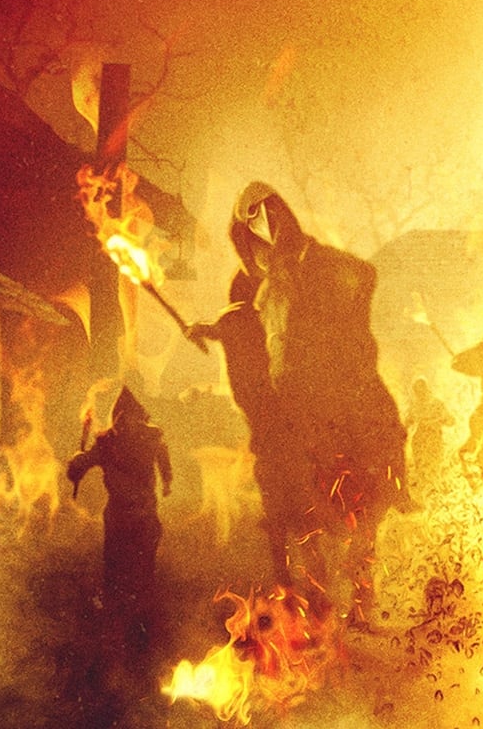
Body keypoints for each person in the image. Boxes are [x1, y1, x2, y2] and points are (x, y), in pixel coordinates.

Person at [189, 184, 410, 629]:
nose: (259, 254)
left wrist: (328, 312)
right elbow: (242, 322)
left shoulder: (321, 264)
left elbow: (363, 276)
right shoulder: (252, 282)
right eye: (250, 246)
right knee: (291, 496)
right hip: (287, 401)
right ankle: (309, 602)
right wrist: (213, 330)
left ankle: (361, 596)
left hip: (340, 387)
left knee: (367, 484)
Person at [67, 387, 173, 627]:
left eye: (130, 418)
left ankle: (140, 616)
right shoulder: (109, 443)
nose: (127, 424)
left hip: (142, 513)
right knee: (118, 567)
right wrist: (77, 465)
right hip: (121, 514)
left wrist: (167, 480)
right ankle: (119, 616)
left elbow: (164, 460)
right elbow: (83, 463)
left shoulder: (148, 440)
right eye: (122, 419)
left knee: (141, 568)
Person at [406, 376, 455, 494]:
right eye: (417, 392)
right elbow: (407, 422)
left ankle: (435, 491)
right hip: (420, 439)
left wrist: (441, 419)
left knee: (434, 465)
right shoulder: (415, 406)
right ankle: (424, 492)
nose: (420, 394)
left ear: (426, 389)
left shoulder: (437, 404)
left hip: (434, 439)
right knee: (421, 467)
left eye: (422, 390)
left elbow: (451, 421)